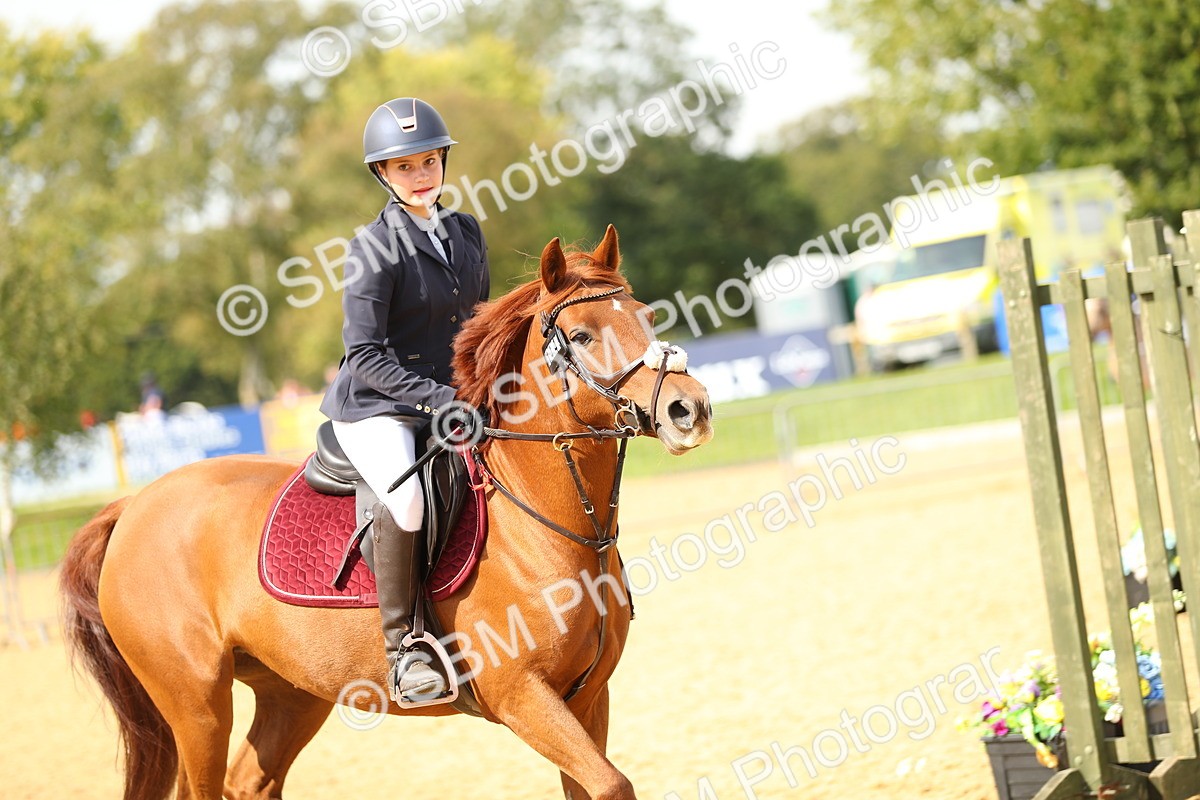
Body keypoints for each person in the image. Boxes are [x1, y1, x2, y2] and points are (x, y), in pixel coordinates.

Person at [319, 98, 490, 702]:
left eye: (428, 162)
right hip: (378, 406)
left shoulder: (465, 231)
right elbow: (364, 355)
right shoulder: (371, 247)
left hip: (450, 400)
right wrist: (442, 398)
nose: (421, 176)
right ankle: (405, 647)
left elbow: (476, 330)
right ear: (383, 176)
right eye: (405, 167)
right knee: (407, 496)